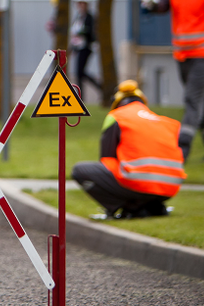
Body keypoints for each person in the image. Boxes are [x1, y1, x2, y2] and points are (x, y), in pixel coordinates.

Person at [72, 80, 186, 219]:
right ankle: (152, 205)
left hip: (138, 184)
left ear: (117, 103)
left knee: (80, 170)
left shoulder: (117, 116)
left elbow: (107, 158)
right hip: (170, 187)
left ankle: (130, 207)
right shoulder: (165, 122)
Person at [140, 0, 204, 161]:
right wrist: (152, 3)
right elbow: (163, 2)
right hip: (182, 55)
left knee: (191, 100)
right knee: (197, 105)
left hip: (202, 55)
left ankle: (181, 153)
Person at [69, 0, 101, 99]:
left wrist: (81, 32)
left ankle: (97, 88)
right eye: (79, 3)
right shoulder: (78, 17)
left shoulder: (89, 17)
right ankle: (82, 96)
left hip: (86, 48)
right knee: (80, 73)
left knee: (80, 72)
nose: (81, 5)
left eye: (83, 3)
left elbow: (90, 32)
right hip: (78, 48)